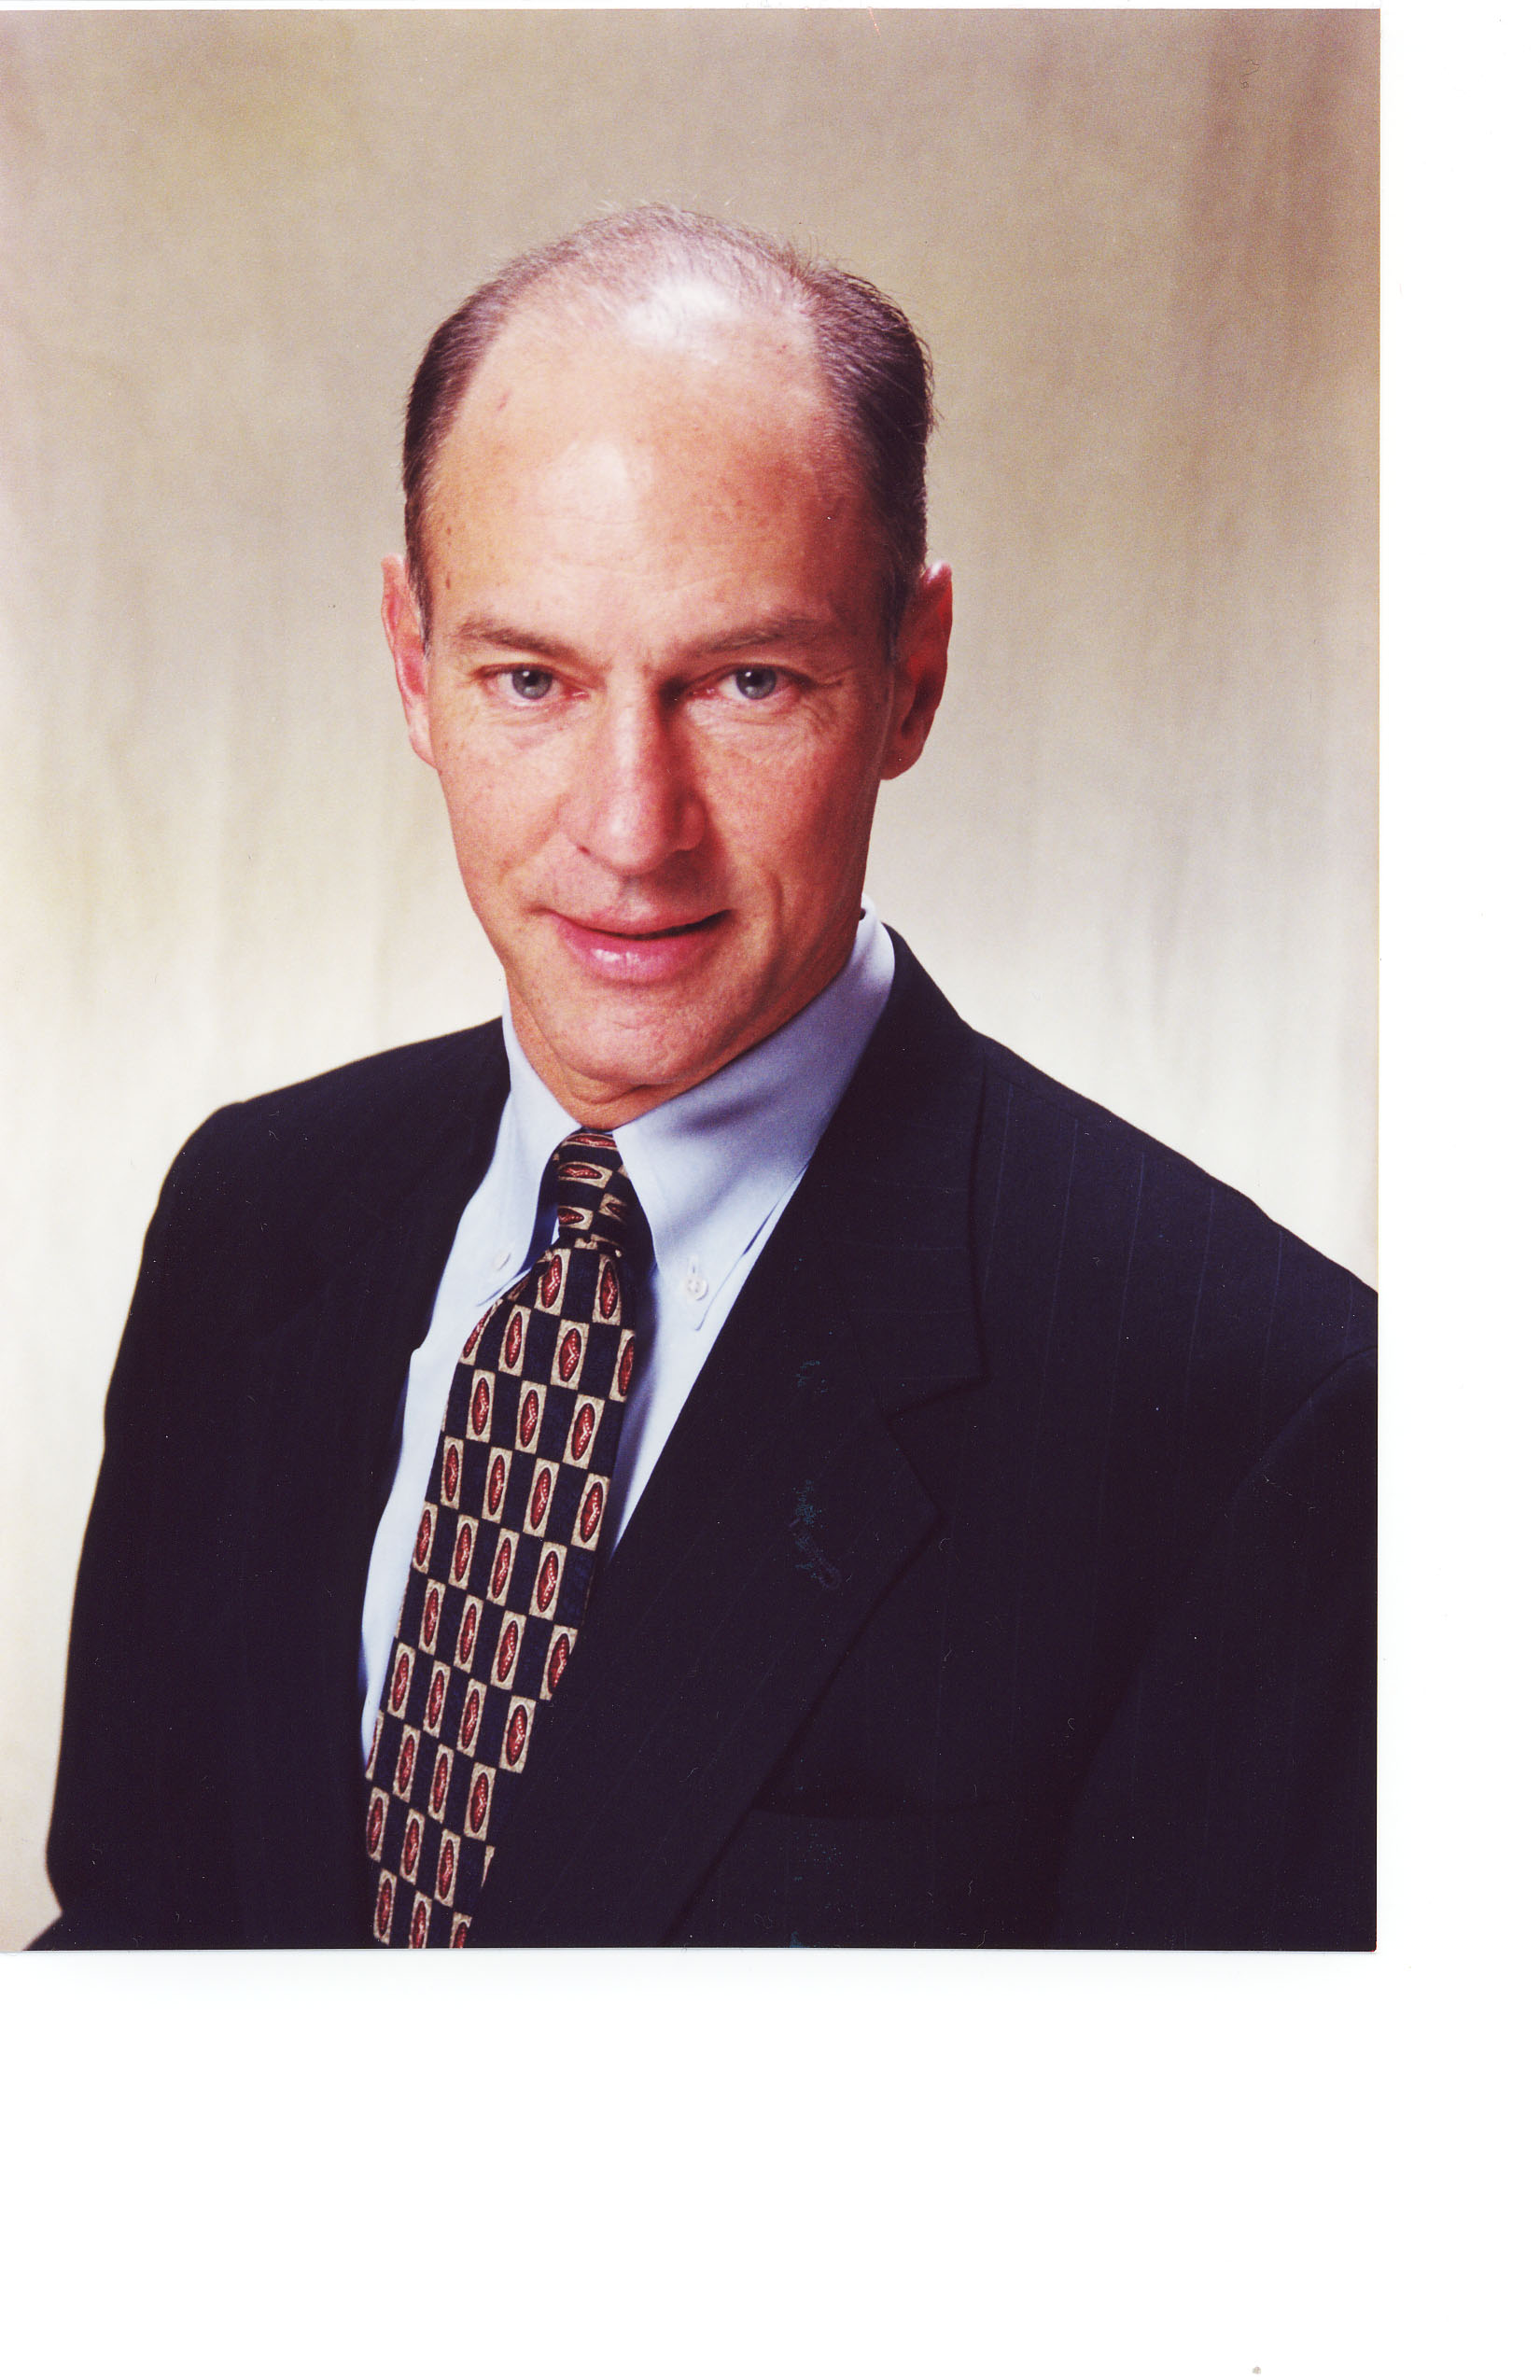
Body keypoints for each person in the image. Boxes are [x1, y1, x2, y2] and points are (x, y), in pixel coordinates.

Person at [37, 206, 1375, 1952]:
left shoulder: (1255, 1408)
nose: (628, 827)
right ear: (412, 667)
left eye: (747, 681)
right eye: (529, 677)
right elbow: (130, 1955)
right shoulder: (250, 1214)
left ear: (912, 676)